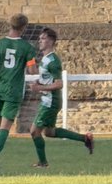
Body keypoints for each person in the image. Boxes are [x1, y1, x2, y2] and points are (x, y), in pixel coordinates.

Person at [28, 27, 93, 167]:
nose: (40, 40)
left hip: (50, 102)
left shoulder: (53, 61)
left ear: (51, 41)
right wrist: (39, 82)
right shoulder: (45, 59)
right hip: (48, 100)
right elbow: (48, 79)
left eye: (43, 38)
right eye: (39, 38)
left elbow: (59, 84)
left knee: (34, 131)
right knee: (50, 132)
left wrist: (39, 88)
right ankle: (85, 139)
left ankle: (43, 162)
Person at [0, 13, 36, 176]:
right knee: (6, 126)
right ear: (24, 28)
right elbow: (32, 69)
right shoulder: (27, 47)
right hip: (13, 90)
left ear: (10, 25)